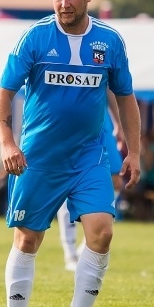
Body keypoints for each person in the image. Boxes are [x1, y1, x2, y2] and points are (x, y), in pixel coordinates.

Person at [0, 0, 141, 307]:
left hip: (88, 158)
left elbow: (126, 100)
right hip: (38, 158)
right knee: (27, 240)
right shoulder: (35, 39)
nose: (64, 3)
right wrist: (8, 143)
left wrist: (134, 152)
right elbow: (2, 96)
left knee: (102, 232)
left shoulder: (109, 42)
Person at [57, 96, 123, 272]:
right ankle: (69, 252)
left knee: (116, 182)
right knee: (66, 188)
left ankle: (86, 245)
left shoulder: (107, 68)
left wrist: (118, 123)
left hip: (101, 124)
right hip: (70, 127)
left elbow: (113, 90)